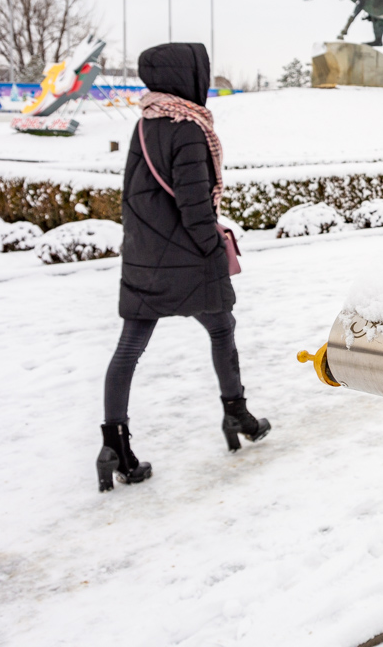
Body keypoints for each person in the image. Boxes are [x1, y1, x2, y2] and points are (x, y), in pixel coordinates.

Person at [97, 42, 270, 493]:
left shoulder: (145, 124)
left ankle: (114, 446)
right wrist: (214, 249)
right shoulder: (189, 129)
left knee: (128, 350)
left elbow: (136, 199)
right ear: (187, 77)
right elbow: (195, 209)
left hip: (144, 258)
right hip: (188, 262)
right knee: (221, 329)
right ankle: (237, 415)